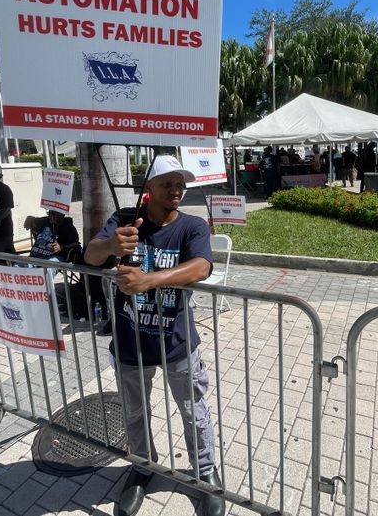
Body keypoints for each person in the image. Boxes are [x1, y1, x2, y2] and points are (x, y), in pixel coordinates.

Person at [84, 155, 224, 516]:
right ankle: (142, 467)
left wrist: (149, 280)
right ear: (149, 189)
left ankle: (205, 472)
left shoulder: (192, 226)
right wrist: (112, 246)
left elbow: (202, 266)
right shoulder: (126, 221)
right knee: (134, 412)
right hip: (130, 341)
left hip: (176, 341)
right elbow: (91, 255)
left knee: (194, 410)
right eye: (167, 183)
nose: (176, 189)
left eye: (180, 183)